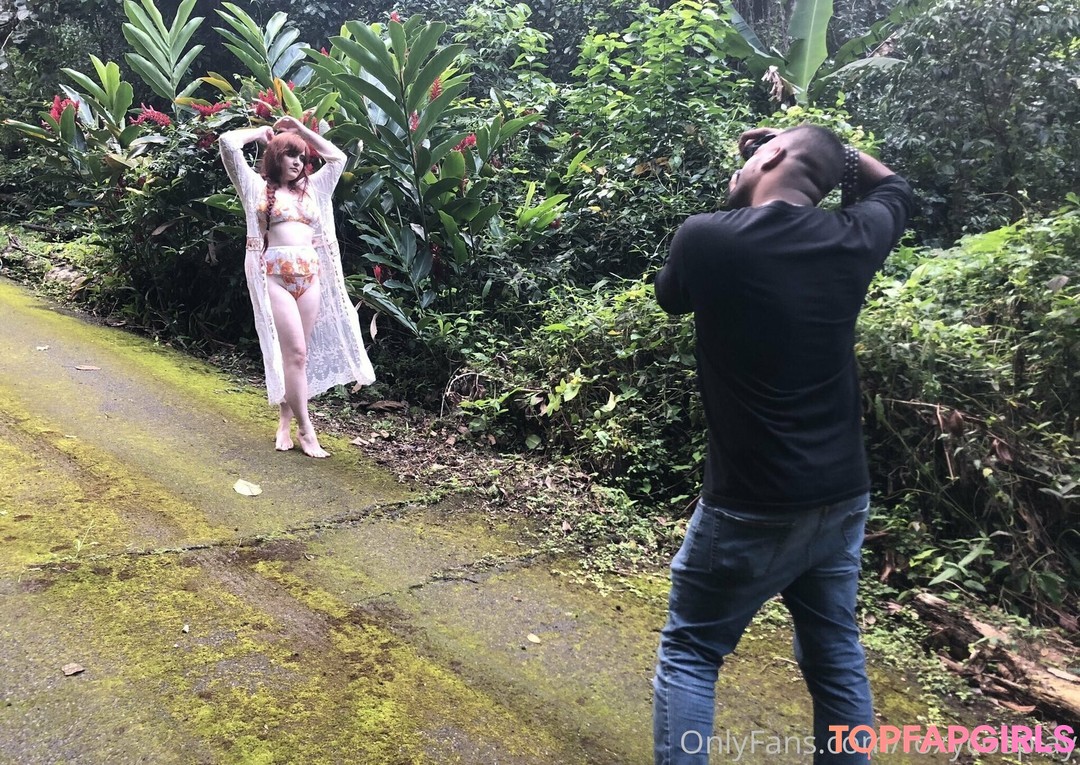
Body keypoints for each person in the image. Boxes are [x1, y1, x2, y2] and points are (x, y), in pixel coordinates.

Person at [651, 124, 914, 764]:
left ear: (770, 154)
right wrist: (839, 155)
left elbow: (670, 297)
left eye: (753, 158)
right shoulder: (854, 237)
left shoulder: (708, 238)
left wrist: (765, 172)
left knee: (691, 651)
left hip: (748, 504)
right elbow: (896, 188)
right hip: (840, 497)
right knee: (835, 653)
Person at [219, 116, 375, 458]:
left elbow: (337, 158)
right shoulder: (254, 187)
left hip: (310, 278)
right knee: (295, 354)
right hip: (275, 278)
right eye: (290, 155)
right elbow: (228, 144)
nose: (298, 162)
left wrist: (302, 131)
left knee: (298, 357)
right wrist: (260, 134)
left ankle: (285, 421)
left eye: (302, 157)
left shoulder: (314, 188)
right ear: (275, 157)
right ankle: (307, 430)